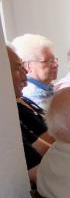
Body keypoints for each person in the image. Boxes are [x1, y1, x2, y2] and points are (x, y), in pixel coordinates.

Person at [7, 46, 53, 181]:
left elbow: (47, 149)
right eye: (18, 67)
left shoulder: (18, 103)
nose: (25, 73)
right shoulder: (12, 113)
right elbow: (39, 173)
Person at [12, 33, 59, 110]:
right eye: (47, 61)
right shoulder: (33, 96)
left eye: (54, 60)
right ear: (27, 66)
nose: (56, 65)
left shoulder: (46, 88)